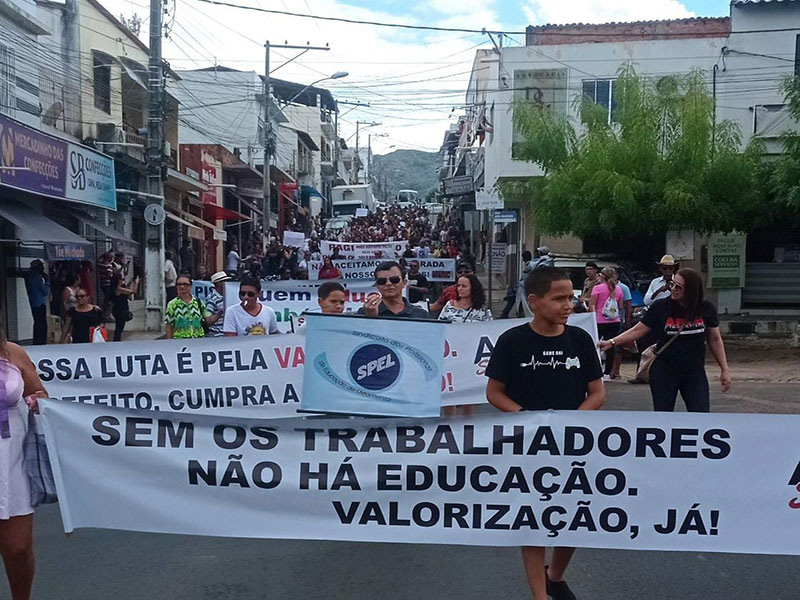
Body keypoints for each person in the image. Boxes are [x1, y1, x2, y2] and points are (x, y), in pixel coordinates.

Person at [485, 267, 604, 600]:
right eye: (560, 298)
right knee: (534, 521)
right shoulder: (513, 341)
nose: (569, 304)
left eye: (571, 297)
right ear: (534, 302)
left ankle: (556, 575)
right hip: (528, 446)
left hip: (574, 445)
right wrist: (526, 419)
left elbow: (596, 393)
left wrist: (572, 424)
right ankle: (539, 595)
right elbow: (494, 392)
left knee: (576, 518)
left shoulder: (579, 340)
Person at [600, 268, 731, 412]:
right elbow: (638, 330)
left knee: (700, 413)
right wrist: (611, 342)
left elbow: (715, 339)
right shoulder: (661, 307)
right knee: (663, 415)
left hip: (694, 371)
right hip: (665, 370)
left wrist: (724, 369)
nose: (673, 289)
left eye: (678, 287)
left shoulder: (705, 308)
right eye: (672, 284)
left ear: (692, 290)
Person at [0, 314, 48, 600]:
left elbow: (40, 391)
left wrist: (36, 400)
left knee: (18, 549)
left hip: (11, 461)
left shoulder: (13, 353)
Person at [359, 261, 430, 319]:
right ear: (377, 285)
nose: (388, 283)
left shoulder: (421, 315)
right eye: (382, 281)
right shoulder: (364, 313)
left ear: (404, 283)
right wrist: (370, 318)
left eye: (394, 280)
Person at [589, 266, 625, 381]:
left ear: (602, 276)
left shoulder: (597, 288)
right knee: (611, 346)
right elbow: (620, 306)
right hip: (614, 321)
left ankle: (595, 369)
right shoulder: (618, 289)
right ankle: (607, 373)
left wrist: (592, 315)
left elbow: (592, 304)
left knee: (595, 345)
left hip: (599, 321)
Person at [165, 274, 209, 340]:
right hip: (180, 341)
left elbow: (207, 319)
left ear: (190, 286)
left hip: (198, 341)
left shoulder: (198, 302)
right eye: (179, 284)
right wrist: (170, 343)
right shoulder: (172, 304)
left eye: (185, 284)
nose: (182, 286)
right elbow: (169, 326)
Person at [611, 273, 633, 379]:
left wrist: (627, 321)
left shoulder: (623, 288)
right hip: (604, 321)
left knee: (618, 346)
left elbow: (628, 305)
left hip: (619, 320)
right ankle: (609, 370)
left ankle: (616, 371)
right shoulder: (602, 287)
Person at [501, 250, 533, 319]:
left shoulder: (530, 266)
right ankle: (504, 313)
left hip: (524, 291)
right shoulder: (530, 265)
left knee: (512, 298)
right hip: (523, 289)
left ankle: (504, 313)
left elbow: (525, 279)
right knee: (511, 297)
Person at [24, 260, 49, 345]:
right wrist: (47, 282)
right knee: (42, 323)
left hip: (33, 303)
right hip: (40, 303)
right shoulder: (38, 278)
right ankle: (41, 341)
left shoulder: (28, 276)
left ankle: (37, 340)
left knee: (37, 322)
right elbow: (45, 292)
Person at [111, 270, 140, 342]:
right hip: (120, 310)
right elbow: (134, 291)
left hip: (118, 309)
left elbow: (126, 291)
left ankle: (117, 340)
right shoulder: (118, 289)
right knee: (119, 328)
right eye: (121, 279)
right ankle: (116, 341)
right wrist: (136, 283)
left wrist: (129, 283)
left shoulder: (116, 288)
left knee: (119, 327)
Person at [204, 272, 229, 338]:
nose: (227, 283)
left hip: (228, 334)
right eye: (224, 281)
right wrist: (219, 313)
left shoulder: (229, 295)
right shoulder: (212, 298)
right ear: (218, 283)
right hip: (217, 335)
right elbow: (208, 321)